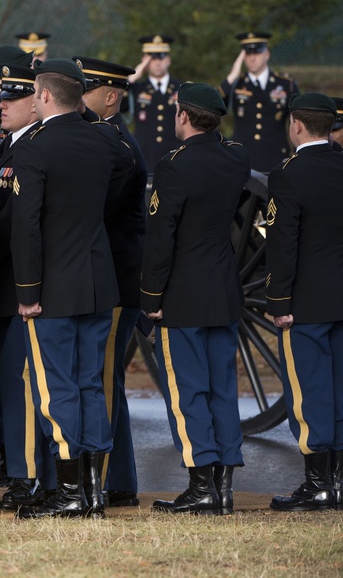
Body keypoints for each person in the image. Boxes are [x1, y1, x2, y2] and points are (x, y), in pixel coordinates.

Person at [10, 60, 122, 520]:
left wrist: (27, 290)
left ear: (47, 97)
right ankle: (94, 490)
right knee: (90, 384)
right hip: (97, 281)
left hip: (52, 288)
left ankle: (72, 490)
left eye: (35, 95)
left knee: (57, 390)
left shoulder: (36, 147)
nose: (32, 101)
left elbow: (26, 226)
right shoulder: (103, 142)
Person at [141, 83, 250, 516]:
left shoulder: (174, 166)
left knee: (189, 392)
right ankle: (223, 485)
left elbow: (160, 237)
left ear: (184, 116)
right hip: (222, 289)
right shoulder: (236, 156)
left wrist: (151, 296)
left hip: (182, 295)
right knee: (222, 388)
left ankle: (201, 484)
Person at [264, 93, 343, 512]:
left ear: (296, 124)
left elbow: (282, 243)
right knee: (339, 388)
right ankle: (340, 483)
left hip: (305, 303)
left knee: (309, 393)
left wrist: (278, 300)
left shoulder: (289, 174)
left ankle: (318, 485)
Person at [74, 56, 146, 507]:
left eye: (87, 91)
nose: (78, 99)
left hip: (116, 281)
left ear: (111, 96)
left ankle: (104, 480)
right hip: (111, 277)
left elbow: (94, 212)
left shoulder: (115, 146)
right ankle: (117, 479)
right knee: (105, 379)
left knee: (102, 380)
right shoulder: (101, 139)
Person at [0, 61, 58, 511]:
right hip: (0, 284)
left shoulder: (33, 149)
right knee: (9, 382)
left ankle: (29, 477)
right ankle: (23, 473)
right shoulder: (6, 146)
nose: (1, 106)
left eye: (12, 99)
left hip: (22, 284)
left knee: (22, 382)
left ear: (38, 103)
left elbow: (15, 224)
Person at [221, 31, 298, 172]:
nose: (252, 58)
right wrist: (231, 77)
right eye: (248, 54)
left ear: (267, 54)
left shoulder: (286, 84)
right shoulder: (236, 83)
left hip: (276, 156)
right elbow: (215, 106)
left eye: (256, 53)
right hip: (242, 157)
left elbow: (299, 119)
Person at [127, 35, 183, 172]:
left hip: (174, 156)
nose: (157, 62)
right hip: (145, 156)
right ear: (144, 61)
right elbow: (118, 103)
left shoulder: (180, 88)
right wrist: (133, 77)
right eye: (152, 58)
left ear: (168, 60)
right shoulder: (136, 88)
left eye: (161, 57)